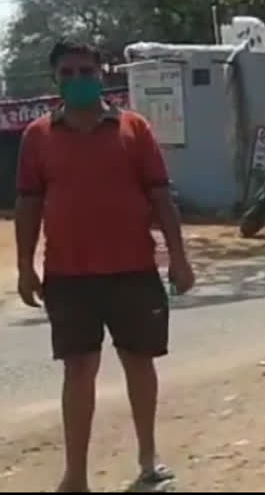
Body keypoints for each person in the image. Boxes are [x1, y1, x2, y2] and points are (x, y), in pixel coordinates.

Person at [15, 39, 195, 492]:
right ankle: (75, 477)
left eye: (85, 71)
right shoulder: (37, 136)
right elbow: (28, 204)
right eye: (68, 73)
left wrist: (178, 256)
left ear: (101, 73)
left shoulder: (135, 129)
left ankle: (149, 461)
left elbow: (160, 197)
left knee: (139, 363)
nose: (77, 80)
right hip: (68, 276)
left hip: (133, 269)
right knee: (78, 371)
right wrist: (23, 265)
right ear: (55, 79)